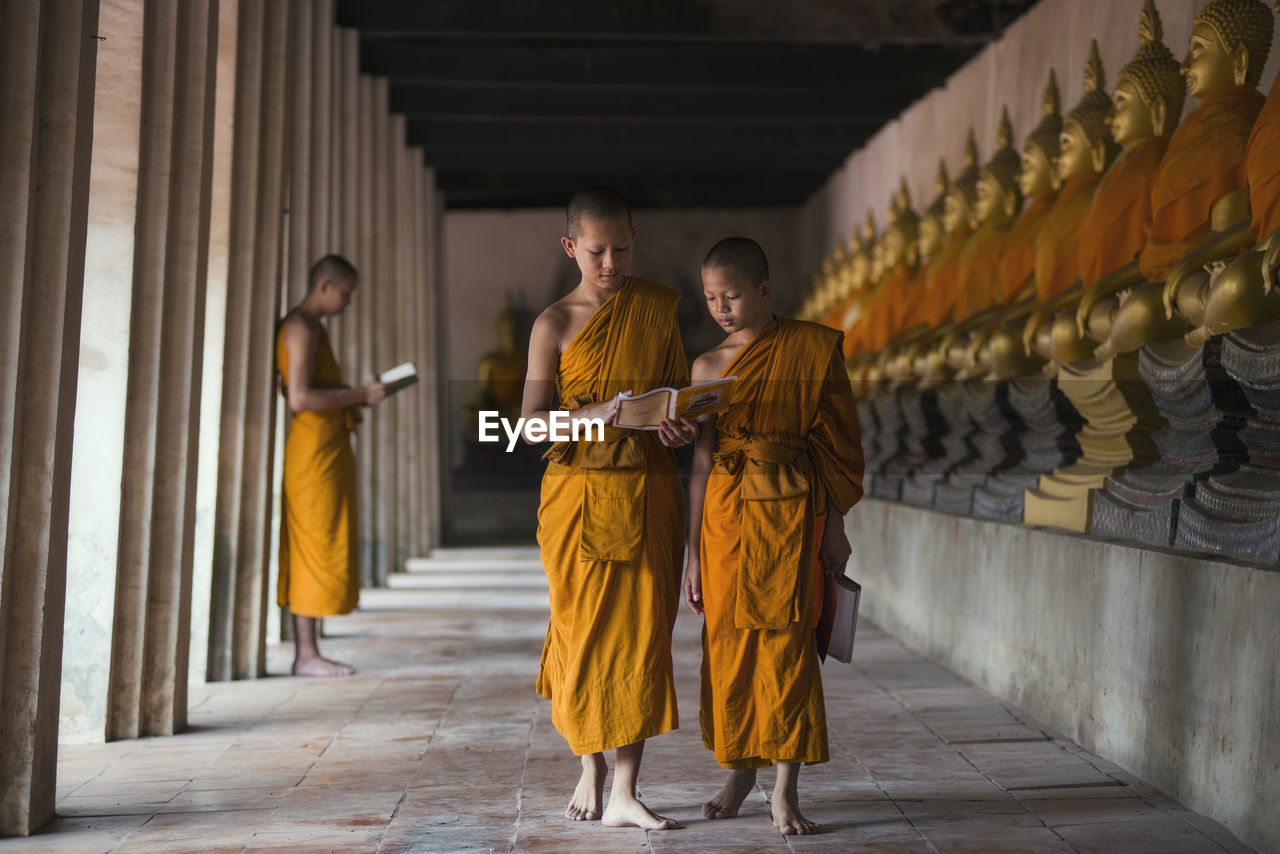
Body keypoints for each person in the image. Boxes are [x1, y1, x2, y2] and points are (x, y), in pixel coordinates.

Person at [520, 186, 697, 829]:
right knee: (583, 633)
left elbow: (675, 395)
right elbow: (530, 427)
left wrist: (676, 424)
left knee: (642, 637)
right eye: (597, 251)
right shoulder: (554, 324)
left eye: (622, 248)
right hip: (578, 498)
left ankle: (625, 788)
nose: (611, 263)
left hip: (648, 490)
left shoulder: (655, 308)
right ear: (571, 247)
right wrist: (595, 414)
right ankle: (589, 764)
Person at [684, 237, 864, 836]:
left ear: (764, 290)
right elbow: (702, 462)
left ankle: (785, 788)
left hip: (791, 507)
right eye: (711, 298)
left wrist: (835, 526)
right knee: (729, 646)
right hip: (725, 518)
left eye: (731, 295)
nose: (721, 308)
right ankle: (740, 770)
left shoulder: (811, 348)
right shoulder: (706, 366)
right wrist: (692, 553)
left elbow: (835, 444)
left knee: (787, 646)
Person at [276, 254, 386, 677]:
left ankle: (310, 649)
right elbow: (300, 398)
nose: (348, 301)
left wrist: (358, 393)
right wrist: (359, 394)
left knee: (320, 539)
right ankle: (306, 654)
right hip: (312, 450)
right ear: (325, 285)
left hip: (325, 446)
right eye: (346, 292)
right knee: (312, 542)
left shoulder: (313, 327)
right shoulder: (301, 327)